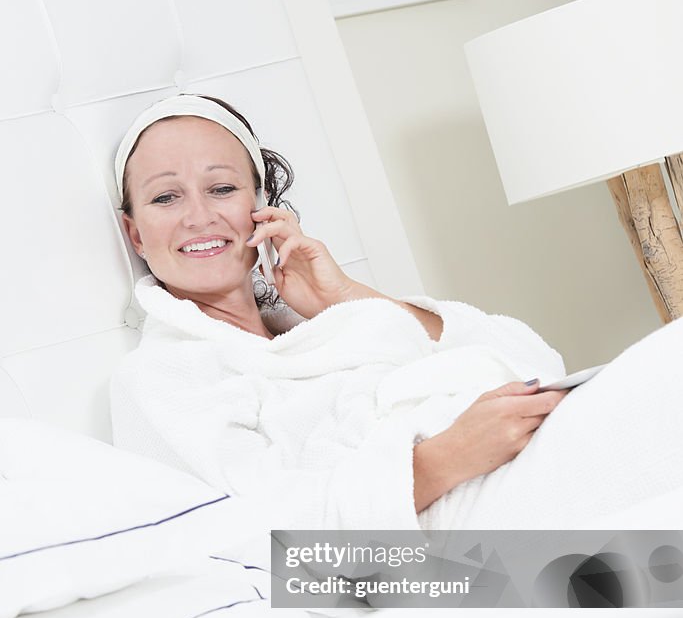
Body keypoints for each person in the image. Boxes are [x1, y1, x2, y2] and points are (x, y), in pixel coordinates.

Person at [110, 93, 683, 532]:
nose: (198, 217)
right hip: (455, 533)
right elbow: (259, 542)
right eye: (165, 197)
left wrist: (347, 294)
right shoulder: (161, 377)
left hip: (523, 461)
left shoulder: (332, 324)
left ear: (260, 208)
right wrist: (442, 461)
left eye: (222, 188)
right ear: (135, 234)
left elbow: (535, 359)